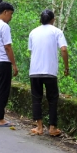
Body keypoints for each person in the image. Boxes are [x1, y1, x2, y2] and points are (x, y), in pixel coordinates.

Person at [29, 9, 69, 137]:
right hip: (50, 71)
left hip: (34, 70)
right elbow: (63, 49)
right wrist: (66, 67)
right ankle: (52, 128)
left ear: (41, 20)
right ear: (53, 20)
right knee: (52, 99)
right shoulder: (57, 32)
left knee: (36, 99)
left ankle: (39, 128)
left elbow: (32, 50)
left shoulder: (33, 32)